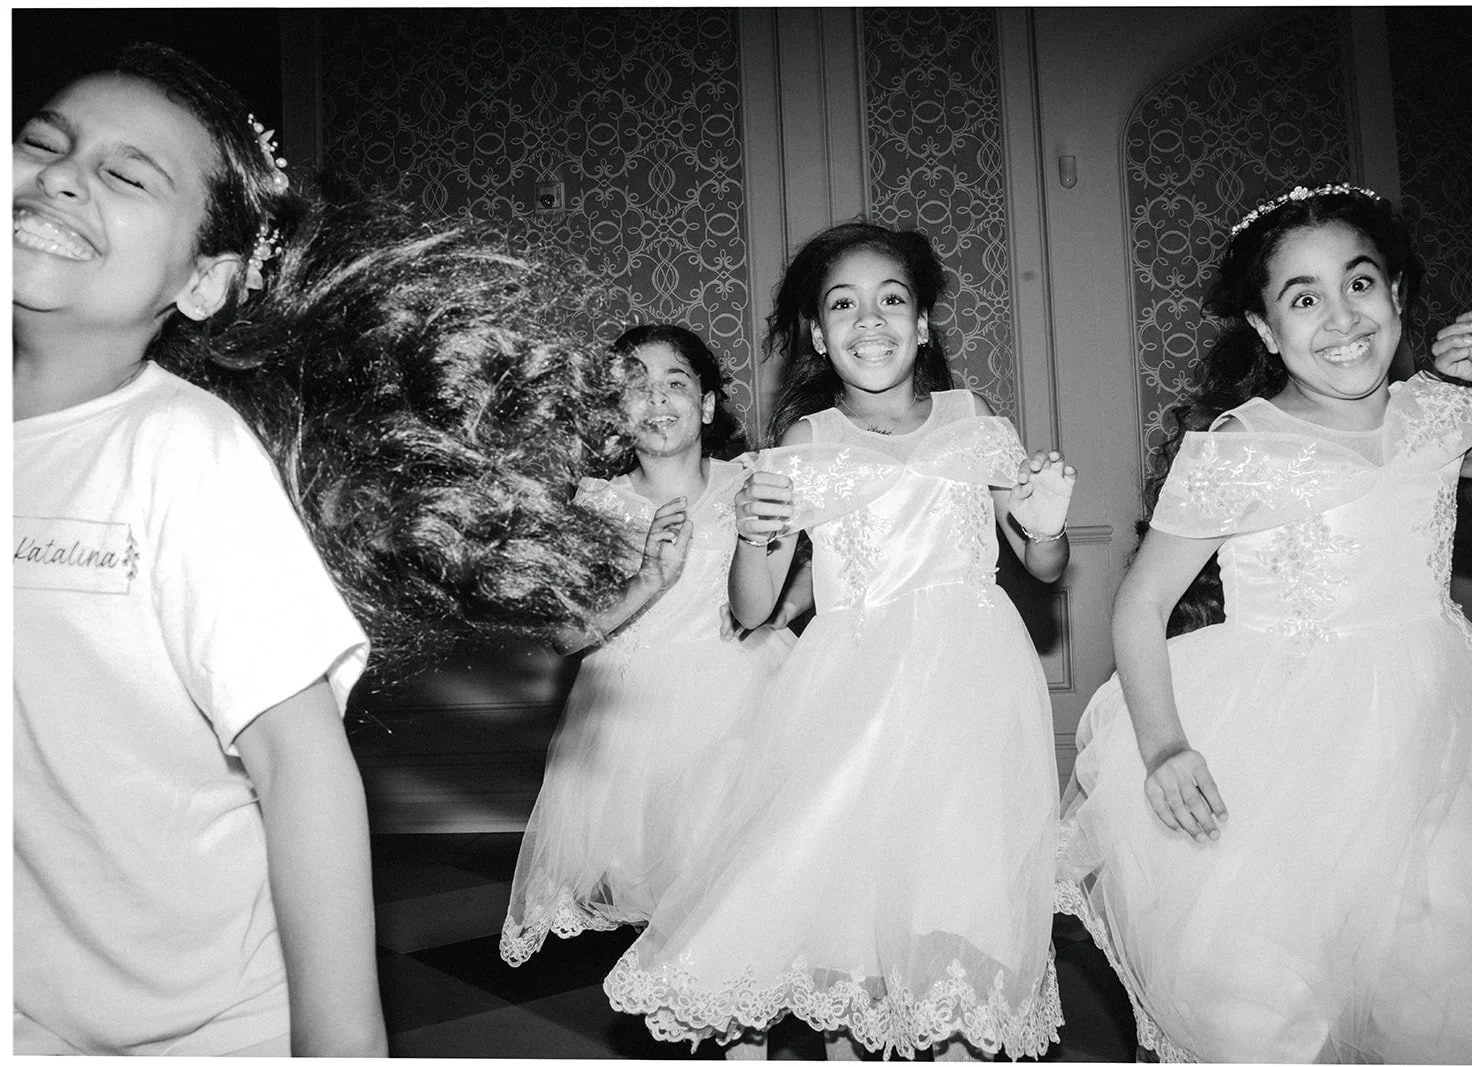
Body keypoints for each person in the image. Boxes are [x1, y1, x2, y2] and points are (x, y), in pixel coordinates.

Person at [14, 44, 628, 1055]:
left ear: (205, 282)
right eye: (42, 142)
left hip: (190, 1026)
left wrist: (340, 1043)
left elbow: (300, 766)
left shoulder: (179, 450)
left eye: (127, 175)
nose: (64, 176)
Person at [1054, 183, 1472, 1063]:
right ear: (1265, 330)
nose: (1341, 317)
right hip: (1282, 747)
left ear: (1397, 294)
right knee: (1277, 1002)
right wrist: (1164, 744)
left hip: (1440, 736)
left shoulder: (1437, 417)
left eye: (1360, 283)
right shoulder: (1238, 445)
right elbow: (1141, 604)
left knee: (1461, 982)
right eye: (1303, 299)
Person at [604, 221, 1075, 1061]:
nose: (871, 320)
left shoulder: (975, 420)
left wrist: (1045, 528)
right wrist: (754, 534)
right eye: (844, 305)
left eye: (891, 300)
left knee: (960, 899)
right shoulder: (805, 444)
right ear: (820, 337)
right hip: (854, 696)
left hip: (971, 689)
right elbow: (754, 610)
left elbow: (1043, 562)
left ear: (922, 323)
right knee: (847, 910)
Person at [500, 324, 798, 965]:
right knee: (673, 911)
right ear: (616, 412)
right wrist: (647, 579)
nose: (657, 399)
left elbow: (807, 565)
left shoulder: (750, 482)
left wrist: (783, 609)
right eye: (636, 386)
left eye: (675, 383)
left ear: (707, 405)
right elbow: (562, 634)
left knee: (750, 895)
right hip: (636, 722)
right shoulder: (596, 505)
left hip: (743, 697)